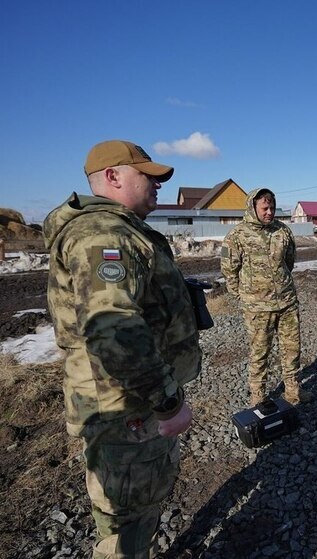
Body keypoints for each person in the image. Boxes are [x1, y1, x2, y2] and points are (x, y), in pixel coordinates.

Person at [43, 140, 202, 558]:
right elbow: (113, 329)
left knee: (127, 511)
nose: (157, 185)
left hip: (122, 401)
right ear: (112, 177)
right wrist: (168, 402)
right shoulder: (103, 236)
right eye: (146, 175)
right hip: (124, 406)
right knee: (126, 521)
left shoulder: (117, 230)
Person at [221, 188, 312, 407]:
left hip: (287, 303)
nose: (269, 212)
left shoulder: (282, 231)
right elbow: (229, 270)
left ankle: (292, 390)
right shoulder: (237, 236)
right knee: (259, 351)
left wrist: (280, 286)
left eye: (272, 207)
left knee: (292, 348)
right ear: (253, 207)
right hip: (257, 307)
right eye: (264, 208)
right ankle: (258, 395)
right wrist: (244, 296)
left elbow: (289, 262)